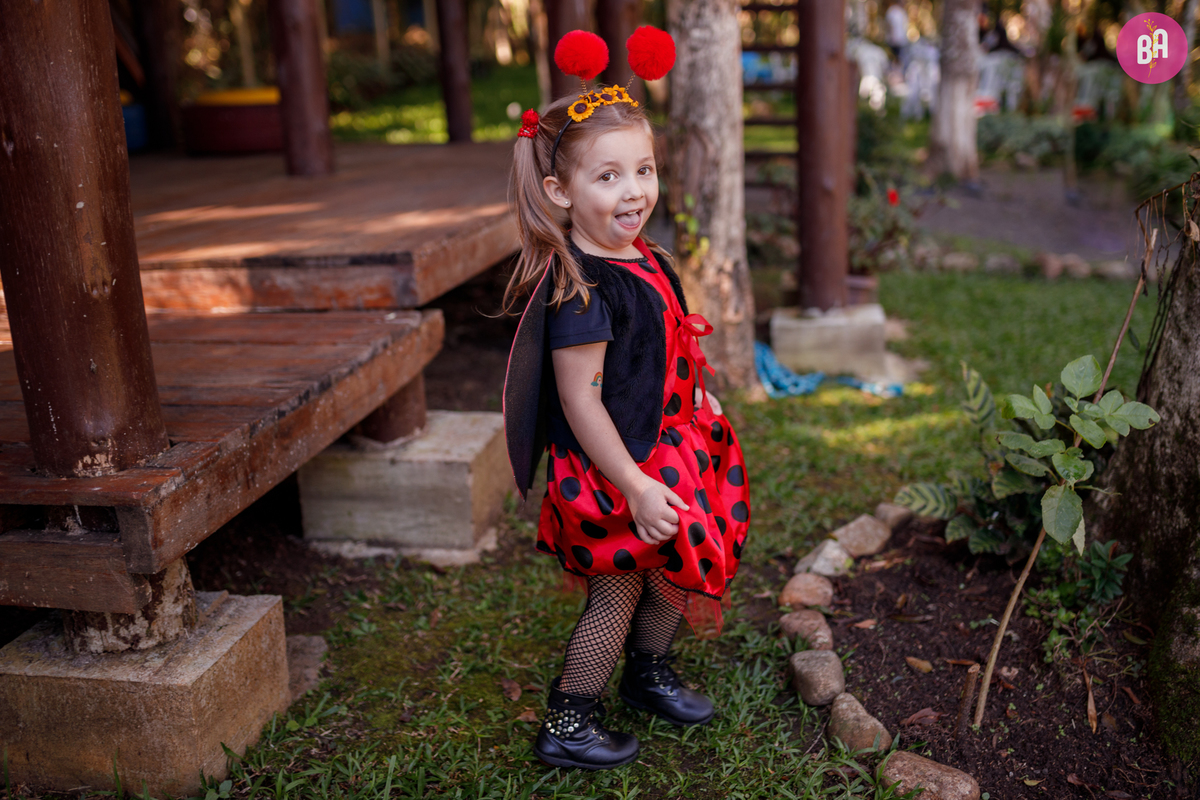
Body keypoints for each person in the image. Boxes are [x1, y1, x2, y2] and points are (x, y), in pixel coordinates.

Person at [502, 27, 751, 771]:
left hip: (673, 445)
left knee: (678, 563)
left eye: (642, 169)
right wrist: (635, 484)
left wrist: (700, 397)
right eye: (607, 177)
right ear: (561, 191)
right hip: (618, 467)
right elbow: (581, 403)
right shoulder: (581, 289)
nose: (634, 190)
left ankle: (647, 673)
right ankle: (569, 721)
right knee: (617, 591)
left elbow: (673, 341)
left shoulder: (647, 256)